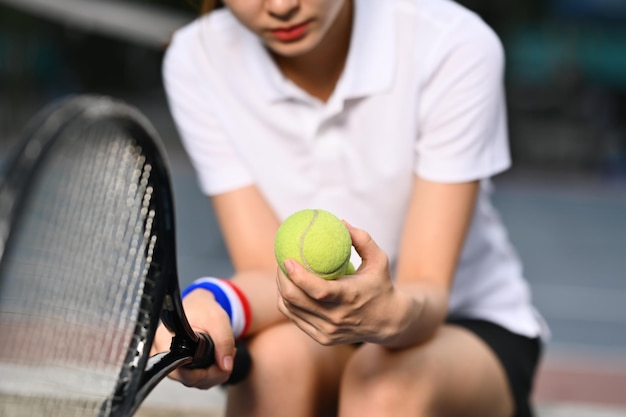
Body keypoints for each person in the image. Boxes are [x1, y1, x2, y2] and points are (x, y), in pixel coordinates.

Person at [152, 0, 548, 416]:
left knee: (384, 388)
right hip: (308, 324)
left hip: (458, 321)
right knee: (274, 366)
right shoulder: (195, 59)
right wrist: (213, 302)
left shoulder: (453, 42)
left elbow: (427, 290)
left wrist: (387, 311)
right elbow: (275, 279)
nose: (283, 6)